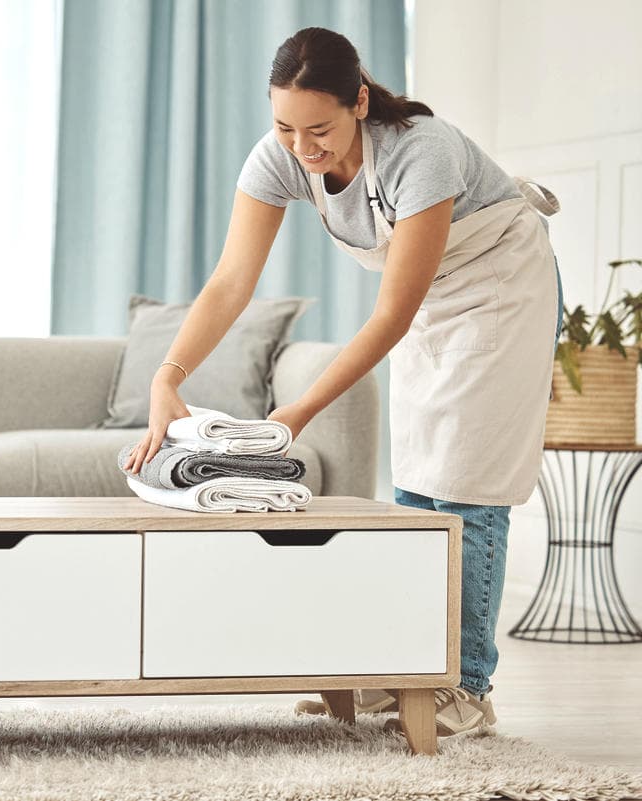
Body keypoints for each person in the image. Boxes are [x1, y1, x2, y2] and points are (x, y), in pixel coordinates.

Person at [122, 26, 563, 738]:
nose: (303, 147)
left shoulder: (422, 151)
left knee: (469, 484)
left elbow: (391, 314)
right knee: (418, 483)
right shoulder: (283, 156)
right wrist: (166, 377)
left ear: (359, 102)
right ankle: (408, 675)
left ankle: (467, 689)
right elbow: (232, 280)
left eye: (319, 128)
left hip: (499, 281)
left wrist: (296, 411)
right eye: (285, 126)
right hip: (433, 294)